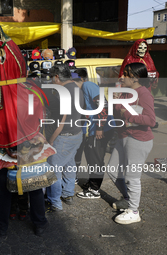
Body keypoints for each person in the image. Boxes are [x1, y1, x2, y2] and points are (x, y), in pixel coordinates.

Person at [0, 18, 49, 237]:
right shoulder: (12, 96)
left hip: (19, 146)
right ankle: (26, 223)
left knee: (18, 185)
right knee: (19, 185)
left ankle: (14, 224)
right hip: (15, 146)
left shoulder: (24, 95)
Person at [107, 63, 155, 224]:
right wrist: (116, 99)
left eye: (126, 74)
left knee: (132, 177)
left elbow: (151, 120)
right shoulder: (127, 92)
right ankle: (128, 199)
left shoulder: (144, 94)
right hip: (124, 137)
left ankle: (134, 211)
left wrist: (126, 113)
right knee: (112, 170)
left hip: (139, 139)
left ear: (135, 77)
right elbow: (117, 114)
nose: (122, 77)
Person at [45, 64, 83, 212]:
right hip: (76, 133)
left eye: (51, 77)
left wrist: (51, 140)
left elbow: (60, 123)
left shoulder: (63, 92)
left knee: (53, 169)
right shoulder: (76, 87)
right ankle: (68, 194)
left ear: (56, 77)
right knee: (69, 163)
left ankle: (54, 202)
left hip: (64, 136)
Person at [73, 69, 114, 199]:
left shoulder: (88, 85)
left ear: (79, 79)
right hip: (94, 128)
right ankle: (92, 184)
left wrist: (100, 127)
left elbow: (103, 105)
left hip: (101, 128)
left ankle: (94, 190)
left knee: (96, 159)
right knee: (91, 157)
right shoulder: (83, 88)